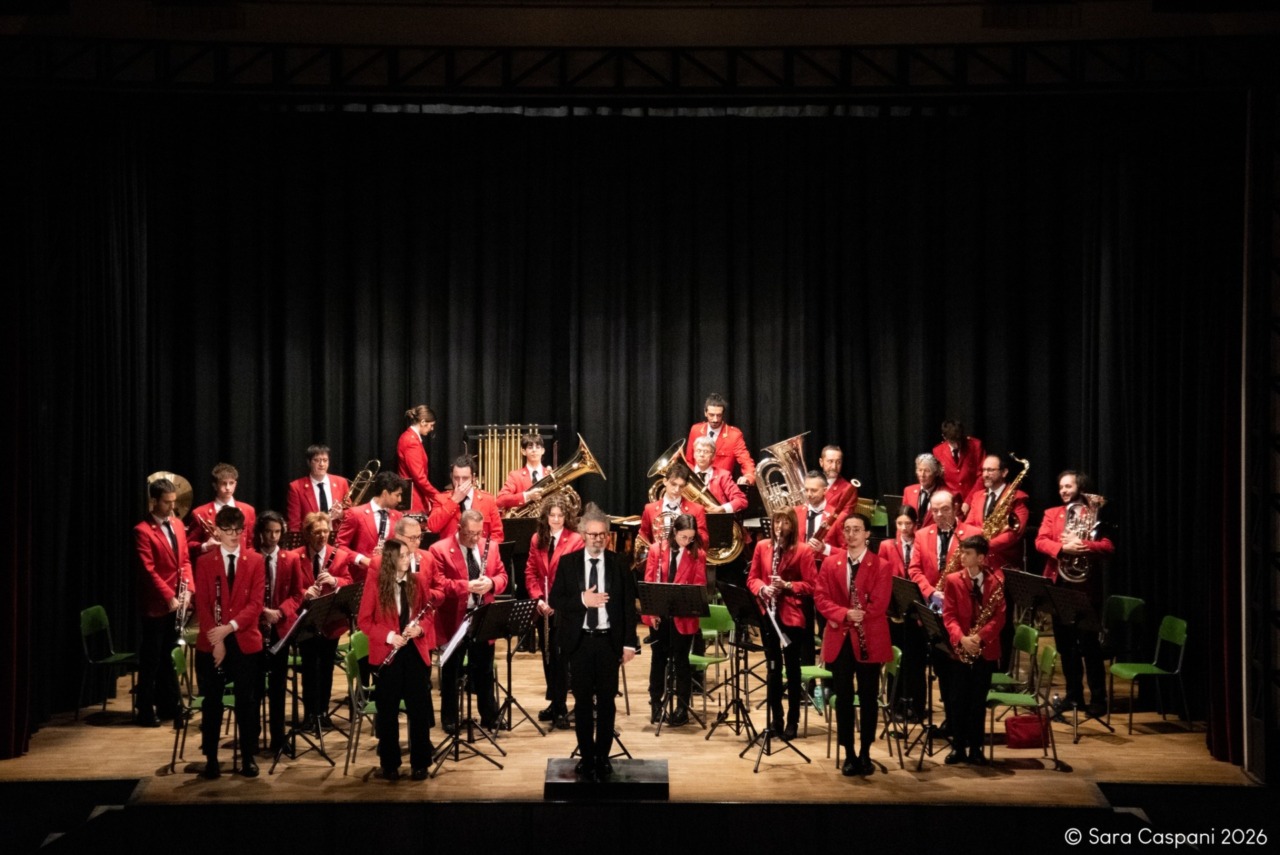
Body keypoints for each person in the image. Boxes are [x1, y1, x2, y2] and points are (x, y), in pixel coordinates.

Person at [549, 504, 639, 781]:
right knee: (584, 703)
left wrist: (629, 644)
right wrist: (581, 601)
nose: (597, 539)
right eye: (592, 535)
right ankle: (587, 756)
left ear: (607, 536)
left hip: (608, 643)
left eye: (602, 535)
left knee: (608, 702)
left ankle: (602, 756)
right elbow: (556, 600)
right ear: (583, 535)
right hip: (580, 643)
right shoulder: (568, 563)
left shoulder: (619, 564)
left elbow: (626, 607)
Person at [358, 538, 445, 780]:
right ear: (390, 560)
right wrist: (389, 636)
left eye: (409, 554)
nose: (409, 559)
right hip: (388, 655)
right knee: (387, 713)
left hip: (414, 652)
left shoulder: (417, 581)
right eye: (404, 555)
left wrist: (420, 629)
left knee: (418, 711)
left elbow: (428, 614)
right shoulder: (376, 584)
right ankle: (390, 764)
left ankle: (420, 764)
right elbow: (364, 621)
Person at [816, 514, 891, 775]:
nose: (850, 535)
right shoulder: (830, 563)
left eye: (856, 530)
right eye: (847, 530)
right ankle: (848, 752)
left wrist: (860, 614)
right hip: (840, 638)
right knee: (844, 698)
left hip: (869, 637)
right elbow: (820, 597)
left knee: (869, 698)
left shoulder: (880, 565)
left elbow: (879, 603)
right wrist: (843, 614)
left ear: (867, 534)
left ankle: (866, 752)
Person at [1035, 470, 1115, 719]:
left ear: (1079, 488)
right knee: (1066, 646)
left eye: (1068, 486)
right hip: (1059, 585)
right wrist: (1062, 547)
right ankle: (1073, 696)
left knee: (1089, 646)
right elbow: (1040, 541)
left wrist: (1083, 546)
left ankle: (1099, 699)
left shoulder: (1094, 513)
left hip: (1085, 589)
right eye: (1061, 487)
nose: (1064, 491)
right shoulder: (1052, 513)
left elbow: (1109, 546)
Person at [193, 506, 265, 778]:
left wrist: (228, 630)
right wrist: (217, 639)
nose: (234, 536)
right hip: (212, 643)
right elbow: (203, 605)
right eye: (228, 531)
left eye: (239, 530)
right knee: (212, 702)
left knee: (247, 703)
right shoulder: (204, 562)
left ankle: (248, 757)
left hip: (244, 641)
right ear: (217, 531)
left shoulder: (255, 560)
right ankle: (211, 758)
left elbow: (256, 604)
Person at [430, 509, 507, 733]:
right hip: (454, 619)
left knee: (483, 670)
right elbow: (439, 584)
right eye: (470, 534)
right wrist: (467, 586)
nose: (475, 539)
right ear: (459, 529)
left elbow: (503, 576)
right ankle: (450, 719)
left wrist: (491, 583)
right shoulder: (440, 549)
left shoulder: (490, 546)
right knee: (451, 671)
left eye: (478, 533)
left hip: (482, 616)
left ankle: (489, 716)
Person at [747, 509, 816, 740]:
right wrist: (763, 588)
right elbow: (752, 578)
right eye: (777, 521)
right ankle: (776, 718)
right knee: (773, 668)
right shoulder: (763, 546)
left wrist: (787, 585)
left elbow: (811, 585)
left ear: (792, 525)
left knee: (792, 669)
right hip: (768, 613)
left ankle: (792, 720)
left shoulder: (803, 550)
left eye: (785, 522)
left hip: (791, 616)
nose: (779, 526)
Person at [133, 477, 193, 727]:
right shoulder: (142, 531)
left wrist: (188, 589)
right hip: (157, 605)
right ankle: (145, 708)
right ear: (154, 502)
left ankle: (170, 705)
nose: (172, 507)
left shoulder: (178, 525)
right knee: (152, 658)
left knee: (169, 653)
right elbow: (148, 570)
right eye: (167, 503)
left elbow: (186, 561)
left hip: (177, 601)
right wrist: (168, 595)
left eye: (173, 502)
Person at [942, 535, 1006, 765]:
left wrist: (979, 637)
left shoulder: (996, 582)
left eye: (967, 553)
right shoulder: (953, 580)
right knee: (958, 699)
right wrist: (961, 638)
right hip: (960, 649)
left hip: (985, 649)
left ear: (981, 557)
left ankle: (976, 749)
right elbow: (948, 615)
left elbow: (999, 618)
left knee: (978, 701)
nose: (962, 557)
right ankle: (958, 747)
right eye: (962, 552)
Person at [289, 512, 356, 728]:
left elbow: (349, 582)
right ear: (307, 534)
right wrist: (304, 593)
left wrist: (334, 581)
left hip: (331, 621)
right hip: (306, 621)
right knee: (309, 668)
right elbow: (289, 588)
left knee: (326, 668)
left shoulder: (339, 556)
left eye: (326, 532)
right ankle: (309, 714)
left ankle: (323, 713)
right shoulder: (294, 556)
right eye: (317, 532)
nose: (322, 536)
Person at [524, 496, 584, 729]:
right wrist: (538, 599)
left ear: (566, 517)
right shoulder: (538, 538)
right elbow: (530, 572)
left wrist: (556, 603)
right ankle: (554, 701)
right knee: (547, 656)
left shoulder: (576, 540)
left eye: (560, 515)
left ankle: (560, 707)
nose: (556, 520)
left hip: (565, 609)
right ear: (545, 517)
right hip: (543, 607)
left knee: (560, 658)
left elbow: (575, 578)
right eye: (552, 515)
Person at [643, 513, 707, 727]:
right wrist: (652, 613)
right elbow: (650, 581)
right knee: (658, 659)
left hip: (683, 616)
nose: (687, 542)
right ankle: (656, 703)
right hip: (660, 616)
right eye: (683, 537)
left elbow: (698, 586)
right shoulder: (656, 550)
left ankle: (682, 707)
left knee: (681, 661)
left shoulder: (698, 555)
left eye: (691, 537)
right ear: (675, 532)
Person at [255, 510, 304, 754]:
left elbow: (298, 594)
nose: (273, 537)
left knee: (277, 687)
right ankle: (251, 738)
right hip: (254, 629)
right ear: (260, 533)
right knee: (254, 688)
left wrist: (280, 612)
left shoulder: (291, 558)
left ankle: (277, 738)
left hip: (280, 631)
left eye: (277, 532)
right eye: (268, 532)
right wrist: (263, 612)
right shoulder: (250, 558)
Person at [878, 505, 926, 720]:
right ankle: (895, 704)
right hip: (895, 609)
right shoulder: (887, 545)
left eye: (908, 524)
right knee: (895, 658)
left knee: (916, 661)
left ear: (916, 525)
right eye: (899, 524)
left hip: (916, 610)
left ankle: (916, 706)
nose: (904, 528)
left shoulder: (922, 544)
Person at [907, 490, 981, 610]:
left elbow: (979, 570)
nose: (939, 514)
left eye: (945, 509)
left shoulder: (974, 534)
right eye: (935, 510)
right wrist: (931, 592)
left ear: (955, 508)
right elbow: (914, 569)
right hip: (931, 603)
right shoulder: (921, 535)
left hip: (962, 604)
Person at [963, 453, 1030, 572]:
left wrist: (985, 545)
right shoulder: (977, 496)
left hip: (1003, 563)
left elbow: (1015, 534)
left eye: (990, 470)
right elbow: (968, 525)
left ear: (1004, 472)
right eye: (983, 470)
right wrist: (979, 540)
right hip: (977, 561)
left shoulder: (1018, 497)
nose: (985, 475)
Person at [426, 455, 505, 543]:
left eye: (465, 478)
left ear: (473, 478)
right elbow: (433, 526)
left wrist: (485, 553)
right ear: (451, 477)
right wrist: (454, 500)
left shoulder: (488, 500)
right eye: (456, 478)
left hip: (479, 552)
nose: (460, 483)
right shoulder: (441, 499)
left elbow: (497, 534)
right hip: (451, 554)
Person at [336, 470, 405, 570]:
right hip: (361, 577)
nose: (400, 500)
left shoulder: (398, 516)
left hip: (388, 577)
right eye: (397, 495)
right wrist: (361, 559)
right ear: (385, 493)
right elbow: (339, 546)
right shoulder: (356, 514)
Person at [683, 392, 756, 485]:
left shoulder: (734, 435)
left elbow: (746, 461)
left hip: (720, 488)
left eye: (719, 415)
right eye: (711, 415)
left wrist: (748, 477)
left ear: (723, 414)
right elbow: (689, 460)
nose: (715, 419)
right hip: (696, 485)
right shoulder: (696, 430)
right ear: (705, 413)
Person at [187, 462, 256, 554]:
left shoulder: (248, 511)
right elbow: (189, 545)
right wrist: (205, 546)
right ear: (215, 485)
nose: (228, 488)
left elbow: (252, 544)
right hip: (213, 564)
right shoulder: (200, 513)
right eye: (223, 483)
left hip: (241, 564)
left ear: (235, 484)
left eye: (231, 483)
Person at [638, 464, 709, 550]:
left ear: (686, 486)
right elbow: (643, 537)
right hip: (659, 559)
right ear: (665, 481)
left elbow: (704, 541)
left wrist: (689, 535)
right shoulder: (649, 508)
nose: (676, 490)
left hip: (685, 559)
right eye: (673, 484)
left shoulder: (697, 509)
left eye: (681, 486)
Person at [285, 444, 350, 534]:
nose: (322, 464)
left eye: (325, 460)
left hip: (337, 538)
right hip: (311, 540)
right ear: (309, 462)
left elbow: (351, 513)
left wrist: (342, 514)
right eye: (317, 460)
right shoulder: (296, 487)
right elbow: (294, 524)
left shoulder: (341, 482)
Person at [932, 419, 984, 514]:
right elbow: (940, 481)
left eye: (959, 441)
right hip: (951, 504)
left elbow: (982, 476)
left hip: (975, 500)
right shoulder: (937, 451)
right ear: (944, 437)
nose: (956, 445)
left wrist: (969, 501)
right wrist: (951, 501)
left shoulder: (975, 446)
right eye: (952, 441)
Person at [398, 404, 440, 514]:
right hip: (413, 499)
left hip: (412, 495)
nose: (432, 429)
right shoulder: (412, 441)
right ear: (422, 422)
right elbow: (419, 477)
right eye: (431, 425)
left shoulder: (408, 437)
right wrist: (437, 495)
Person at [689, 436, 748, 513]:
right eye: (698, 451)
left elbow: (741, 500)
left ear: (713, 456)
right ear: (694, 454)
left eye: (706, 451)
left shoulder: (723, 476)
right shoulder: (686, 474)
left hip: (716, 521)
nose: (701, 455)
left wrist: (722, 509)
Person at [496, 432, 550, 512]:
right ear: (523, 451)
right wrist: (527, 496)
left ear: (543, 451)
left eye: (538, 447)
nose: (534, 450)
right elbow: (500, 500)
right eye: (530, 447)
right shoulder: (515, 476)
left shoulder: (549, 474)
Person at [902, 453, 944, 529]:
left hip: (932, 538)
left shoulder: (944, 494)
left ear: (936, 473)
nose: (922, 474)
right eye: (919, 470)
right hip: (912, 538)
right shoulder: (908, 491)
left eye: (927, 471)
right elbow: (902, 519)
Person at [819, 445, 858, 511]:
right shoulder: (811, 482)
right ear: (821, 462)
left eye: (838, 462)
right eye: (830, 461)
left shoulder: (848, 489)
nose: (834, 467)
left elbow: (845, 515)